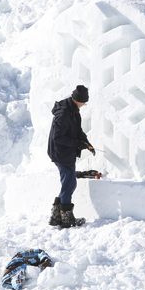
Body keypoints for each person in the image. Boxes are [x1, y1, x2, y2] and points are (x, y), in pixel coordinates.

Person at [47, 85, 95, 228]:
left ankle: (56, 217)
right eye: (84, 102)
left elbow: (77, 129)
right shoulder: (64, 114)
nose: (84, 105)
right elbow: (58, 137)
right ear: (78, 100)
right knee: (69, 185)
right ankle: (67, 219)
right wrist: (76, 144)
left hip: (65, 152)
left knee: (68, 183)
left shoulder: (73, 110)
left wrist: (86, 142)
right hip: (61, 153)